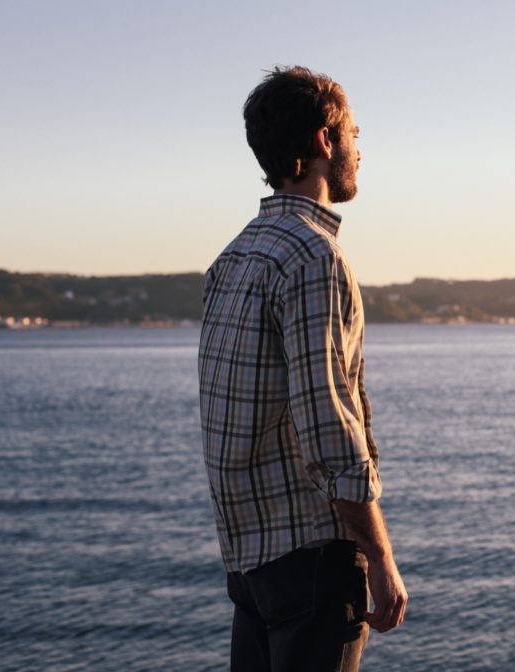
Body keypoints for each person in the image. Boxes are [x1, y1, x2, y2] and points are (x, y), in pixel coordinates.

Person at [197, 65, 407, 671]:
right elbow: (327, 423)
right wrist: (381, 558)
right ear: (323, 141)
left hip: (249, 560)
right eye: (355, 135)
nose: (360, 152)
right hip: (312, 558)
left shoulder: (232, 258)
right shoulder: (315, 258)